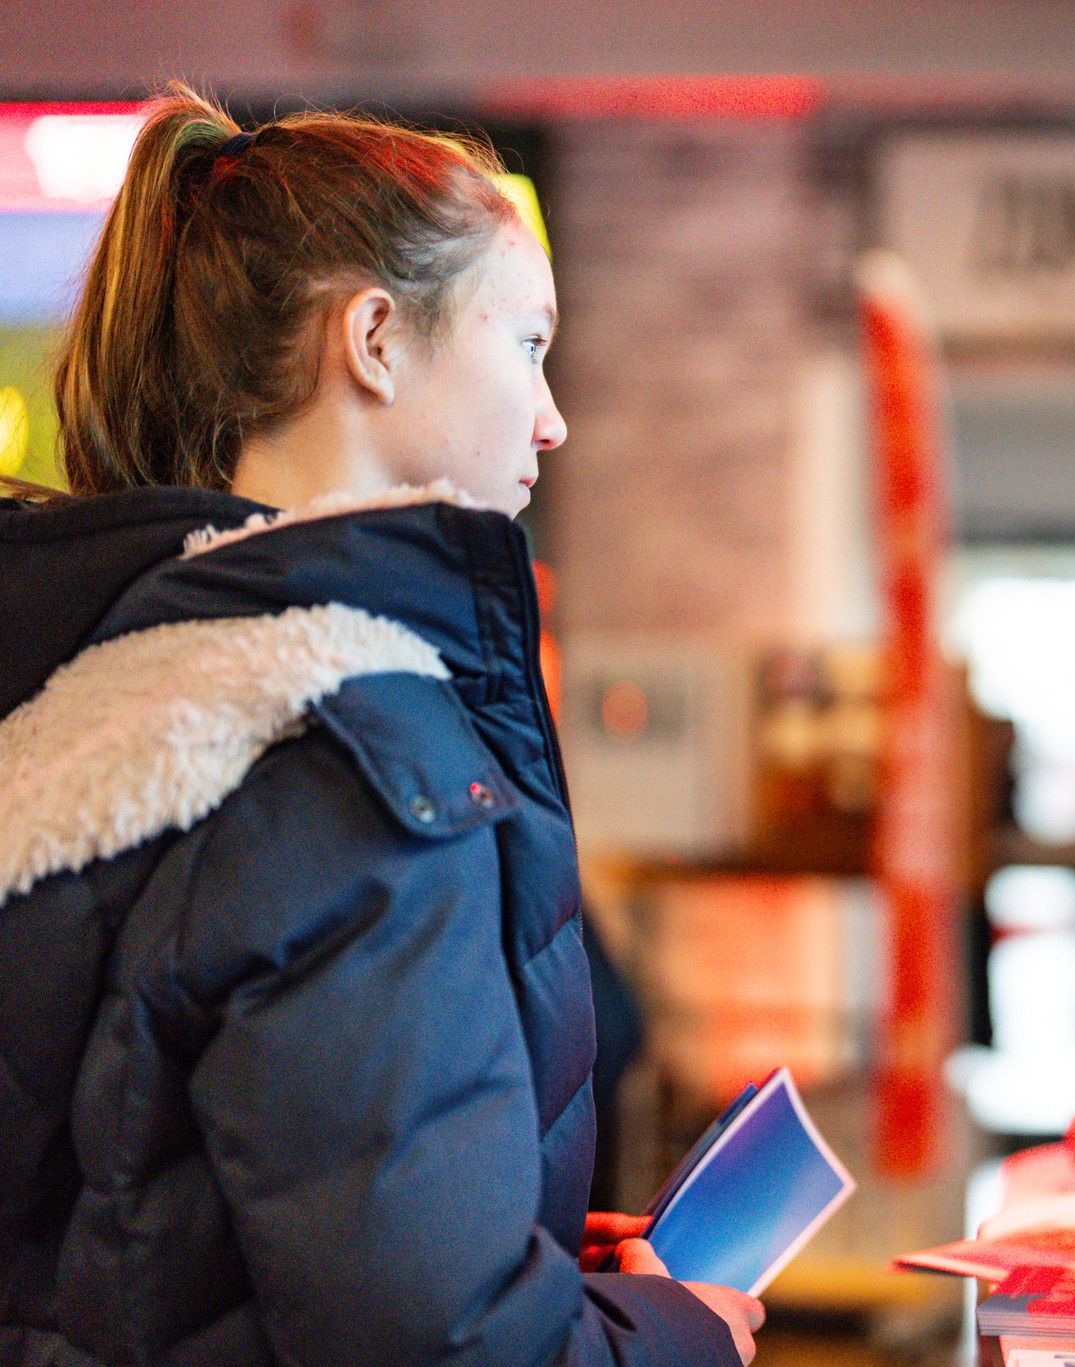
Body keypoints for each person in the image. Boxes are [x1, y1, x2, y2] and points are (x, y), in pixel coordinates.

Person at [0, 88, 761, 1366]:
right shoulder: (347, 752)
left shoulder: (106, 682)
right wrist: (675, 1335)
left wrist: (511, 1247)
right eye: (526, 343)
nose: (552, 415)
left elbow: (152, 1221)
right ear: (374, 340)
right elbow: (434, 1348)